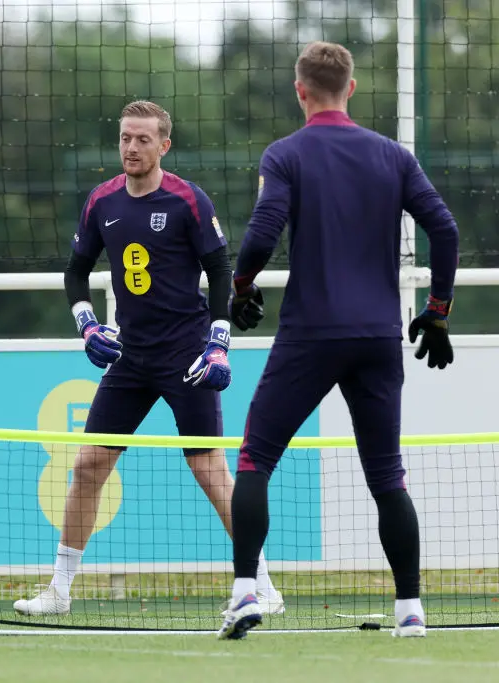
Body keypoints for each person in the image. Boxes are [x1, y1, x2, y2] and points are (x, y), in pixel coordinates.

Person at [217, 41, 459, 640]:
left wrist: (241, 288)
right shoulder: (392, 156)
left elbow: (263, 230)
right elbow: (445, 229)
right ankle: (411, 611)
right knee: (386, 475)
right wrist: (437, 312)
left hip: (310, 333)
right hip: (378, 335)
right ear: (351, 88)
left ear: (300, 91)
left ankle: (246, 593)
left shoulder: (286, 154)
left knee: (254, 459)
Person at [13, 100, 283, 618]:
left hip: (187, 356)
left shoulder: (188, 200)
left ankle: (262, 585)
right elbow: (75, 272)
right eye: (124, 138)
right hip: (130, 355)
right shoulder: (102, 201)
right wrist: (87, 325)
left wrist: (218, 343)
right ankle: (59, 590)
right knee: (89, 465)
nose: (131, 148)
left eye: (142, 140)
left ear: (164, 145)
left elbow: (222, 272)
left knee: (210, 472)